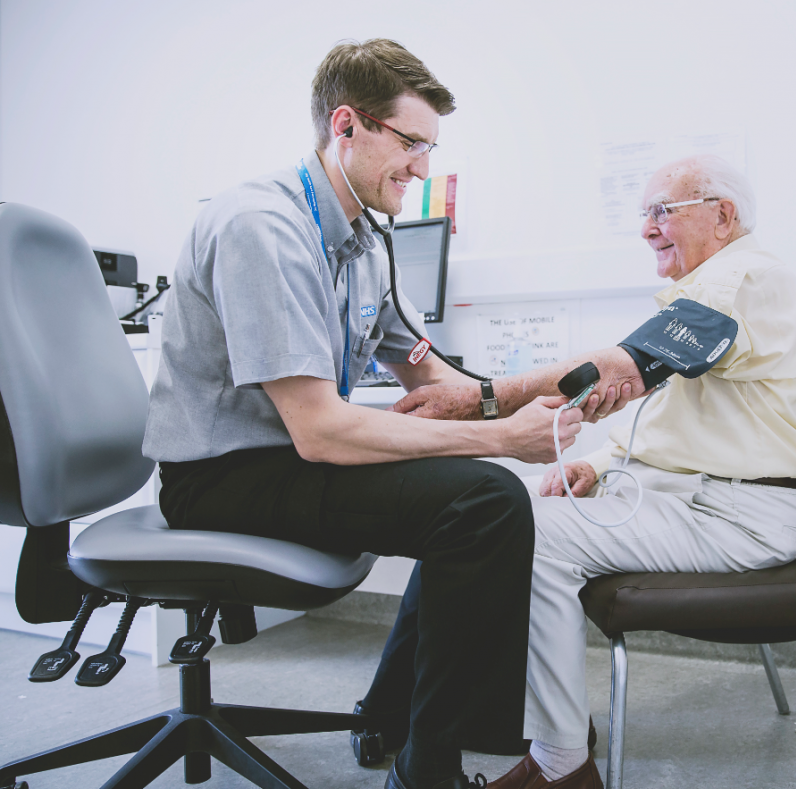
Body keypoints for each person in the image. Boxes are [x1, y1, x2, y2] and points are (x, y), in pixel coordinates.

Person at [141, 38, 620, 789]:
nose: (423, 168)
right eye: (411, 144)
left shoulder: (363, 239)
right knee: (483, 498)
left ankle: (392, 718)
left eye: (430, 148)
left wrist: (542, 385)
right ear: (348, 125)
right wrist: (500, 438)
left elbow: (431, 373)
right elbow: (321, 428)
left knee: (469, 496)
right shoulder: (262, 227)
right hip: (219, 477)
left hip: (286, 460)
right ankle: (427, 767)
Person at [369, 154, 796, 789]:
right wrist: (593, 464)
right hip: (693, 501)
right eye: (644, 214)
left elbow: (622, 368)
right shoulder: (706, 295)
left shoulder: (745, 280)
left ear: (723, 216)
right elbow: (669, 426)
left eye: (663, 211)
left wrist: (480, 398)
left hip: (739, 516)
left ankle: (561, 765)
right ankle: (445, 723)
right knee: (479, 506)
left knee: (518, 531)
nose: (646, 229)